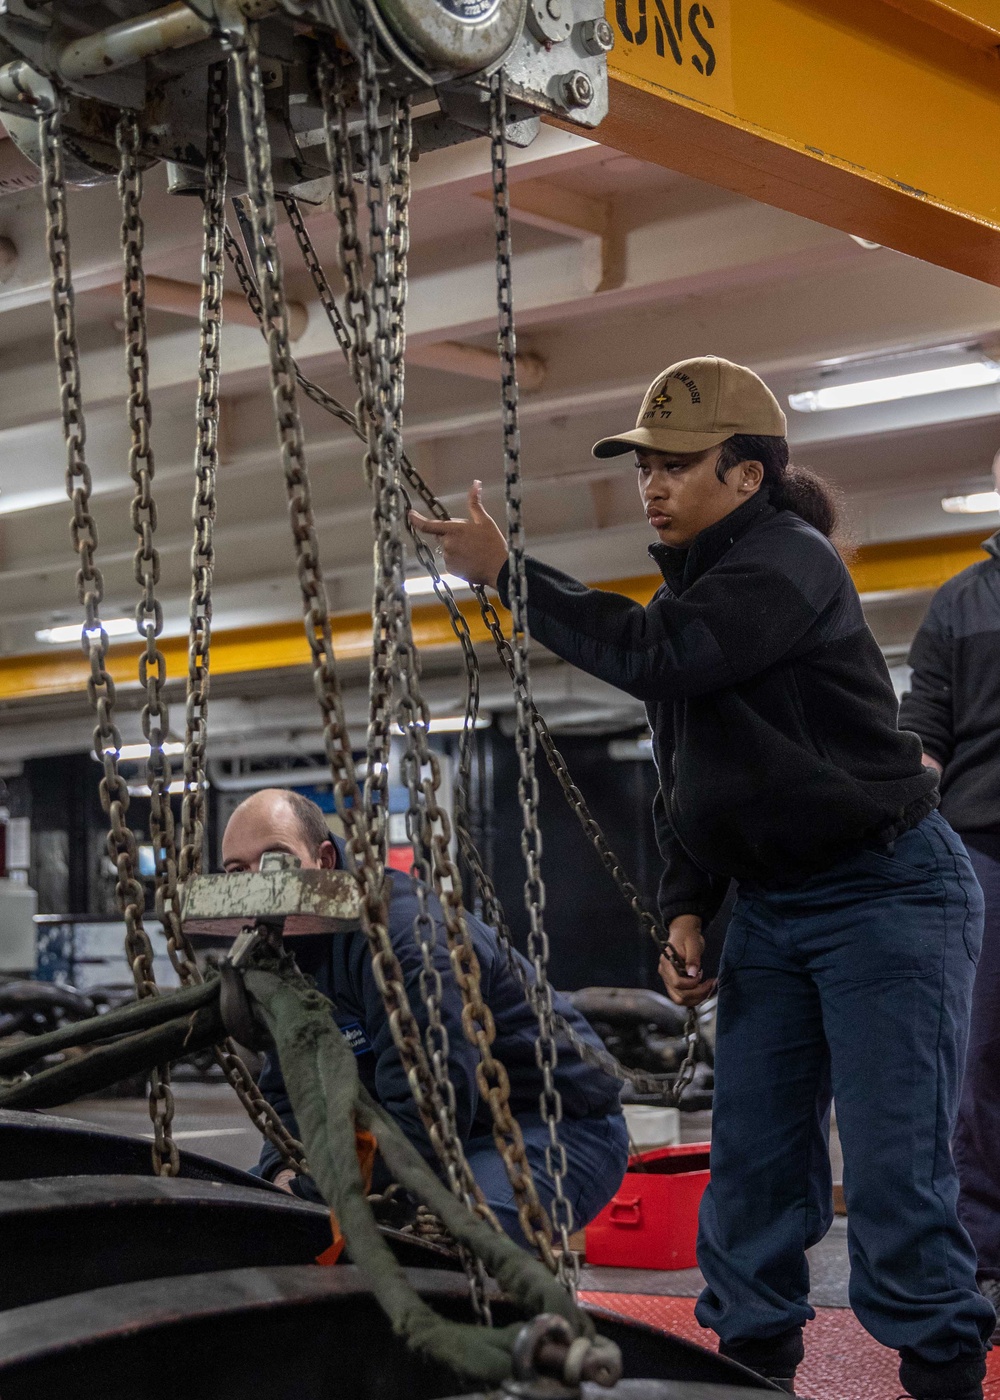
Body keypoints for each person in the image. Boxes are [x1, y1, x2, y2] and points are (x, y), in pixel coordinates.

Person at [411, 355, 994, 1400]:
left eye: (677, 464)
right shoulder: (701, 597)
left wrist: (510, 571)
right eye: (645, 466)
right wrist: (688, 902)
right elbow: (690, 765)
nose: (652, 484)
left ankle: (944, 1372)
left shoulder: (789, 565)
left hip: (888, 893)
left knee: (896, 1170)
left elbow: (650, 656)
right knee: (755, 1167)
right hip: (774, 904)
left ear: (748, 475)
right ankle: (750, 1368)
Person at [221, 787, 628, 1243]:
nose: (256, 884)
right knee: (245, 1216)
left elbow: (429, 1116)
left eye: (276, 860)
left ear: (325, 860)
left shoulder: (403, 941)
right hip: (425, 1136)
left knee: (439, 1245)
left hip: (545, 1126)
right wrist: (284, 1168)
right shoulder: (278, 956)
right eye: (237, 872)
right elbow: (286, 1093)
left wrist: (313, 1191)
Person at [899, 447, 1000, 1321]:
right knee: (980, 1058)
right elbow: (923, 732)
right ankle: (987, 1254)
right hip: (982, 851)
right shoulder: (963, 604)